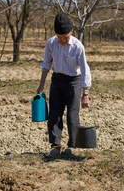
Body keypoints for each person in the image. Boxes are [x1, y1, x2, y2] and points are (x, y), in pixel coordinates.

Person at [37, 12, 91, 157]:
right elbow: (46, 64)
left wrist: (85, 93)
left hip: (73, 82)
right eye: (59, 37)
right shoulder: (51, 43)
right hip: (56, 81)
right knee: (54, 113)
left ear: (71, 32)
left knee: (72, 115)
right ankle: (55, 145)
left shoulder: (78, 46)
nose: (61, 40)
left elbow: (85, 69)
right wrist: (41, 85)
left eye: (65, 37)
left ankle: (72, 145)